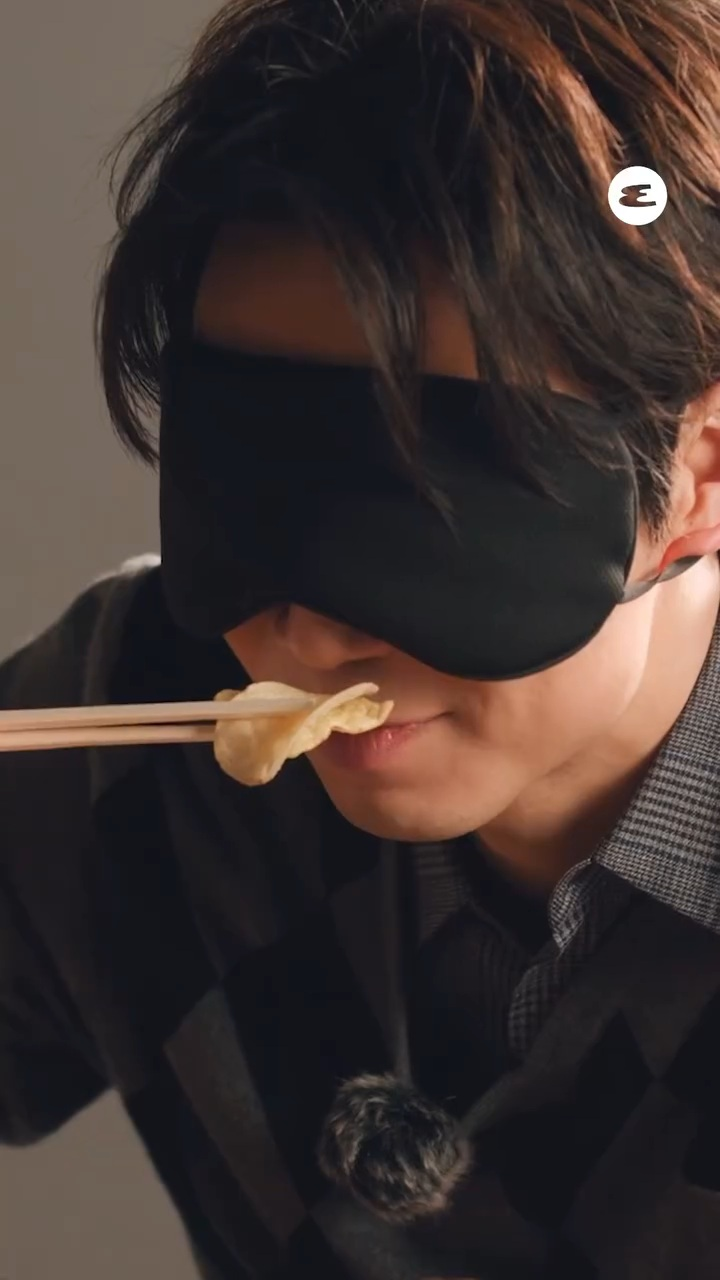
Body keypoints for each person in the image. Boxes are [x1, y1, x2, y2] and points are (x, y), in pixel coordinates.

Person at [3, 0, 720, 1275]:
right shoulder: (127, 742)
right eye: (250, 477)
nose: (310, 628)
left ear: (702, 471)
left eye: (425, 494)